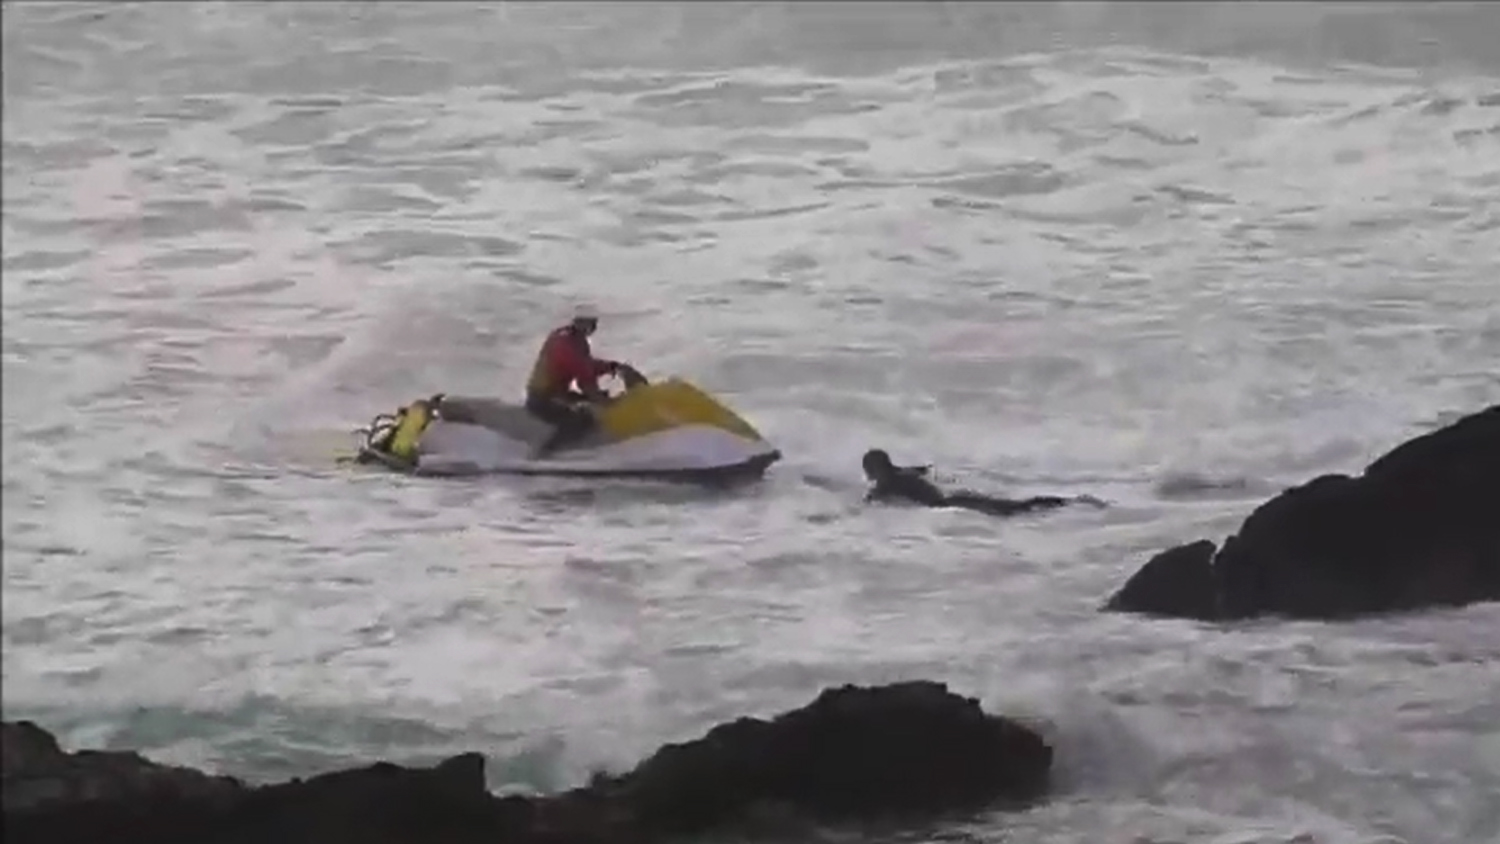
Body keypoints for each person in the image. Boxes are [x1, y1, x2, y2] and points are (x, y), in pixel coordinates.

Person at [861, 449, 1104, 516]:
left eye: (869, 470)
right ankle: (1070, 502)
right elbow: (926, 468)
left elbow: (870, 501)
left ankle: (1072, 503)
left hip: (952, 505)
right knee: (1016, 507)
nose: (869, 476)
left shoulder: (888, 484)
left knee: (1015, 510)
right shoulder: (900, 473)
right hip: (957, 499)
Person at [524, 306, 622, 457]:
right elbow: (584, 376)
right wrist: (604, 402)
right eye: (591, 322)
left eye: (595, 322)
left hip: (557, 393)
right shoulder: (566, 344)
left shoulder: (572, 338)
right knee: (581, 422)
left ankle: (582, 449)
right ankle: (543, 454)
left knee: (594, 403)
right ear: (579, 322)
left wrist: (611, 367)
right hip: (542, 398)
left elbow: (586, 365)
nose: (594, 327)